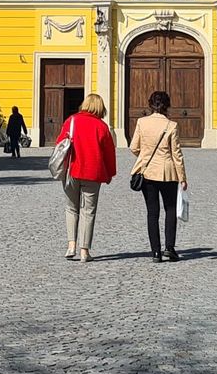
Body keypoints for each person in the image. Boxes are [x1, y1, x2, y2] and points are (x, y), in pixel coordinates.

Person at [128, 89, 188, 263]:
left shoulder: (142, 122)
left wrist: (144, 156)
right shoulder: (171, 125)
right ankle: (169, 248)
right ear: (167, 106)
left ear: (150, 104)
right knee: (170, 209)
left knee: (152, 213)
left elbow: (133, 147)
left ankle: (155, 252)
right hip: (168, 172)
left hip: (147, 173)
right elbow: (177, 154)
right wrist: (183, 177)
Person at [58, 93, 117, 262]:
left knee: (71, 208)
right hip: (93, 173)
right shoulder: (101, 127)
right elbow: (109, 154)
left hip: (71, 171)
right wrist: (110, 173)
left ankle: (71, 245)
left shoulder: (72, 121)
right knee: (88, 211)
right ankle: (84, 251)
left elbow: (60, 143)